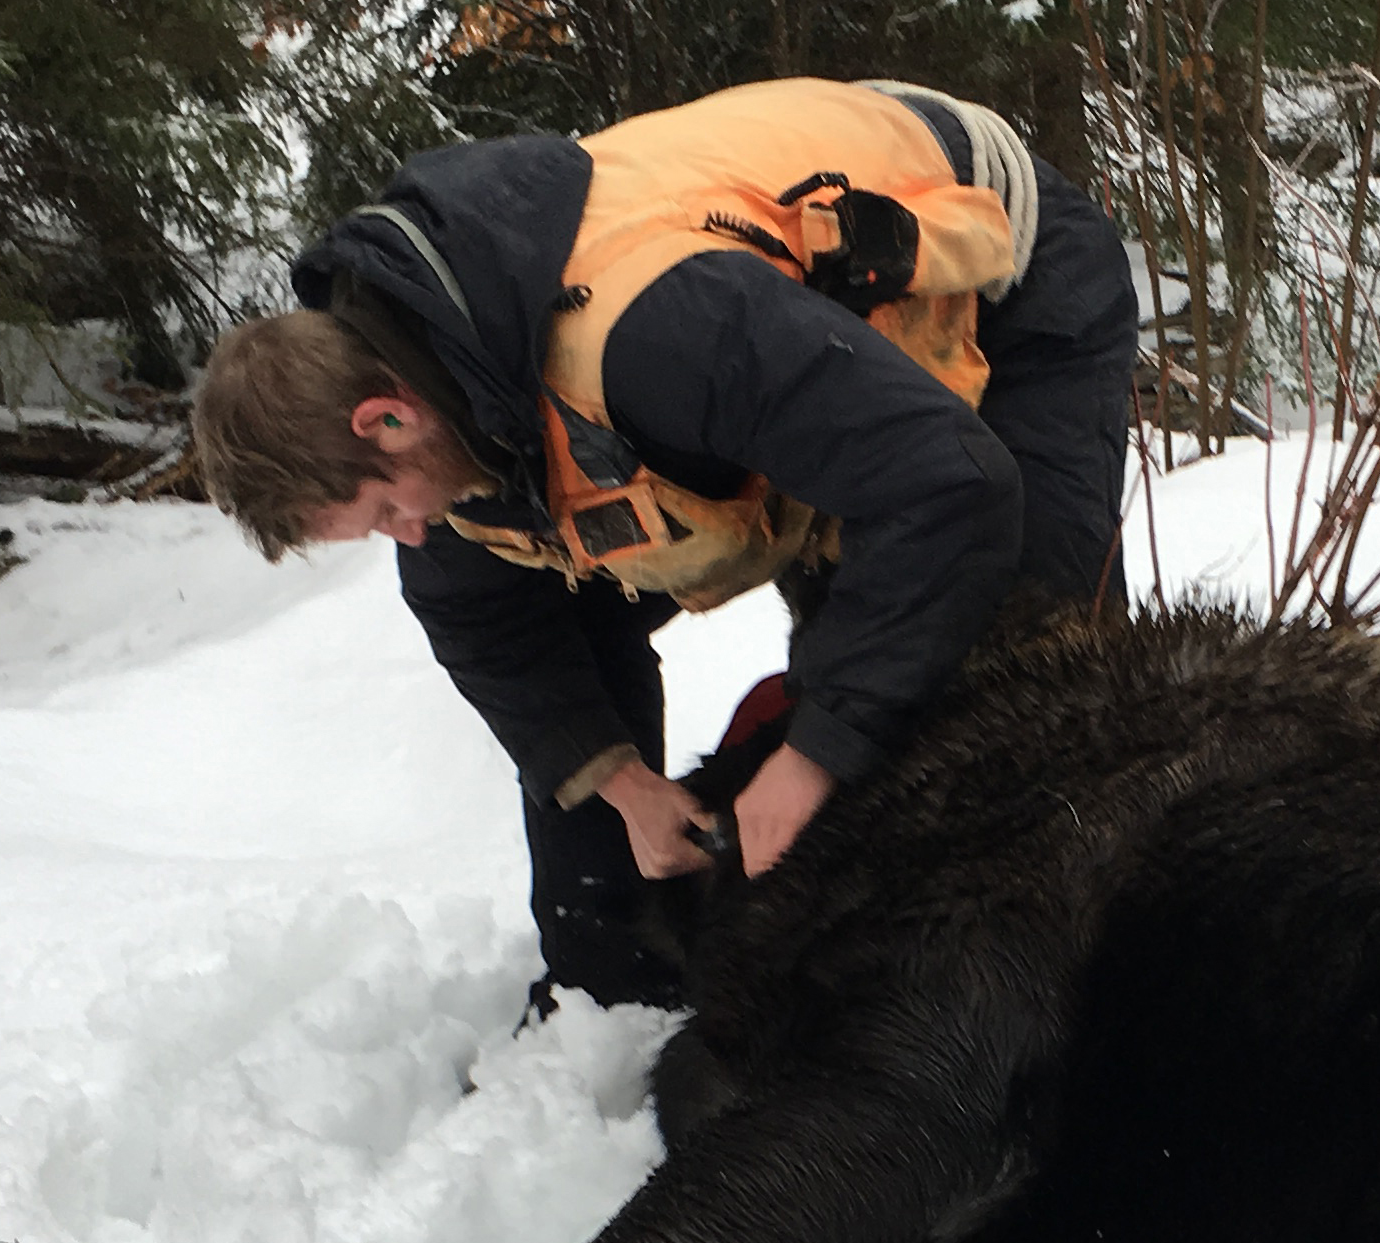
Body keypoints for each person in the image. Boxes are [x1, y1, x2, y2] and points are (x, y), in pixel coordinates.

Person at [191, 79, 1138, 1011]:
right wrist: (623, 784)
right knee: (610, 623)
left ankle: (1053, 983)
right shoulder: (447, 408)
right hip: (799, 360)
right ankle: (618, 976)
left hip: (988, 260)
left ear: (386, 419)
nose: (407, 537)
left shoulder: (652, 335)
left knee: (1022, 650)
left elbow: (948, 485)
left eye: (386, 512)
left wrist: (817, 755)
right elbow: (492, 628)